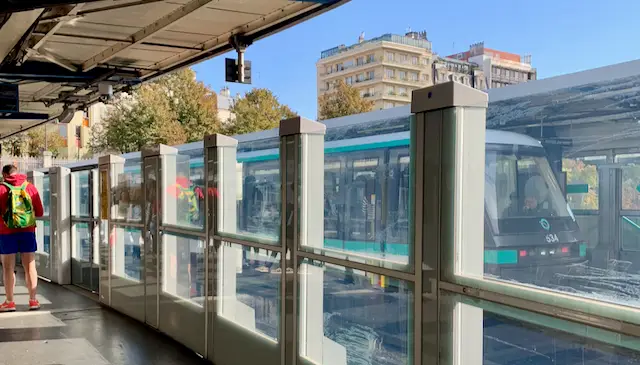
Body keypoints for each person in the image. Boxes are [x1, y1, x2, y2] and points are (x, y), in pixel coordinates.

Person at [0, 164, 44, 312]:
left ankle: (10, 302)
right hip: (27, 231)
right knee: (30, 266)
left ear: (4, 175)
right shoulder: (30, 187)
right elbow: (39, 212)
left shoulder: (1, 188)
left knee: (8, 267)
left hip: (6, 232)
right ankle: (33, 300)